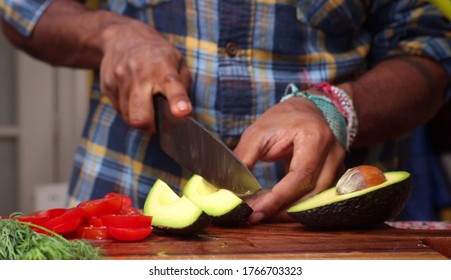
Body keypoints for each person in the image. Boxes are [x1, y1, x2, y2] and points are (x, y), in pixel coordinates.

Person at [1, 0, 450, 224]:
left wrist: (338, 107)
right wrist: (108, 32)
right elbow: (20, 7)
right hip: (125, 200)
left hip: (328, 228)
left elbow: (432, 50)